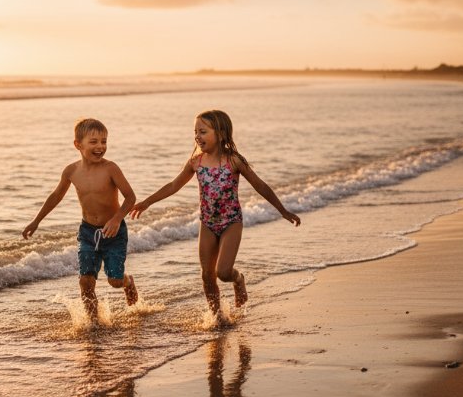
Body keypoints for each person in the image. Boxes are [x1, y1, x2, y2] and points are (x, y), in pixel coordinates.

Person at [130, 110, 299, 317]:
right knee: (207, 276)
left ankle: (238, 279)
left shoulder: (234, 161)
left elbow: (260, 185)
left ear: (220, 133)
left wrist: (282, 210)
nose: (197, 136)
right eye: (195, 132)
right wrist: (147, 202)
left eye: (202, 132)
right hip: (207, 223)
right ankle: (216, 316)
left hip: (231, 222)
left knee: (223, 272)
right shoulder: (196, 162)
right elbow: (173, 185)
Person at [23, 118, 139, 323]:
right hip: (87, 232)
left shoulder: (111, 168)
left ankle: (128, 281)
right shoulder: (71, 171)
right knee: (85, 281)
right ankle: (94, 324)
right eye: (93, 142)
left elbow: (130, 197)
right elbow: (56, 196)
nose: (100, 146)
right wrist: (36, 221)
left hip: (114, 232)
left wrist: (116, 219)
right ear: (78, 144)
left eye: (104, 141)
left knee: (114, 280)